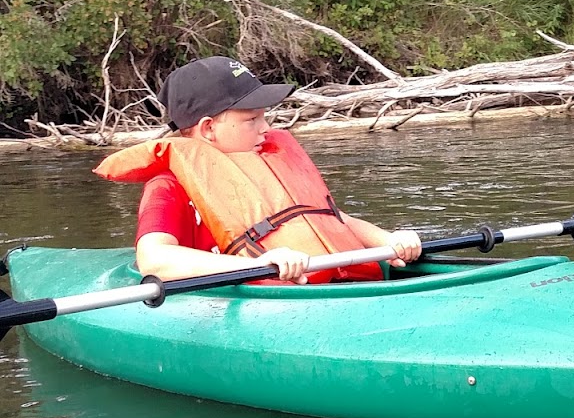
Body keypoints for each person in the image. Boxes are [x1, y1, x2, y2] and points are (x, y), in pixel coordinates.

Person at [94, 56, 422, 284]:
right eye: (251, 119)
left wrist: (387, 239)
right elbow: (155, 259)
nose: (266, 128)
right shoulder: (169, 185)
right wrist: (256, 265)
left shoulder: (268, 165)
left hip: (320, 285)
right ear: (208, 129)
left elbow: (332, 219)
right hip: (247, 297)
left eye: (264, 116)